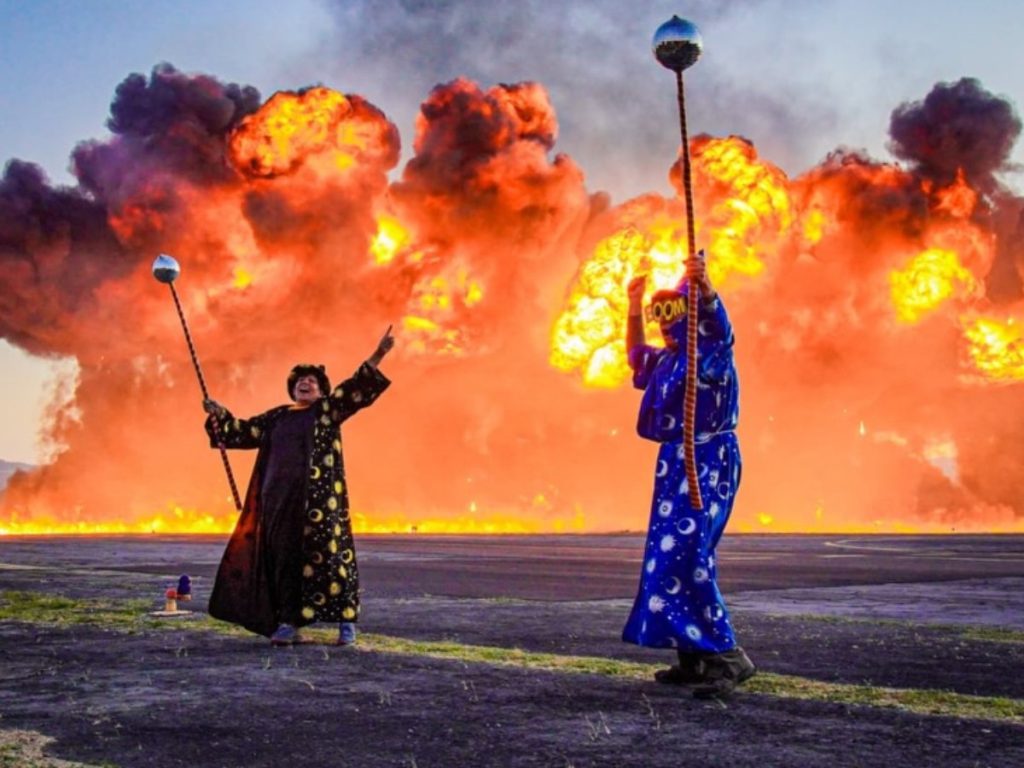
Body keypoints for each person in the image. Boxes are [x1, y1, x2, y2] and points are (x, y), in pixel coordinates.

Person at [202, 327, 394, 647]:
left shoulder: (327, 412)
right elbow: (242, 431)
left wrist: (379, 354)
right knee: (285, 563)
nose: (306, 383)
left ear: (321, 391)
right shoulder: (277, 418)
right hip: (278, 504)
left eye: (313, 381)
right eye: (300, 381)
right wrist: (219, 414)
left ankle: (345, 622)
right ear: (293, 389)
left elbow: (354, 389)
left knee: (331, 558)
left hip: (319, 504)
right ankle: (289, 622)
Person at [621, 252, 755, 698]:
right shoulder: (668, 361)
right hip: (675, 464)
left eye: (671, 312)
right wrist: (634, 304)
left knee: (689, 553)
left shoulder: (710, 353)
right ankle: (691, 656)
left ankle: (726, 656)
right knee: (665, 558)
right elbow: (636, 355)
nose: (665, 322)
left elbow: (721, 329)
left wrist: (707, 290)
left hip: (708, 459)